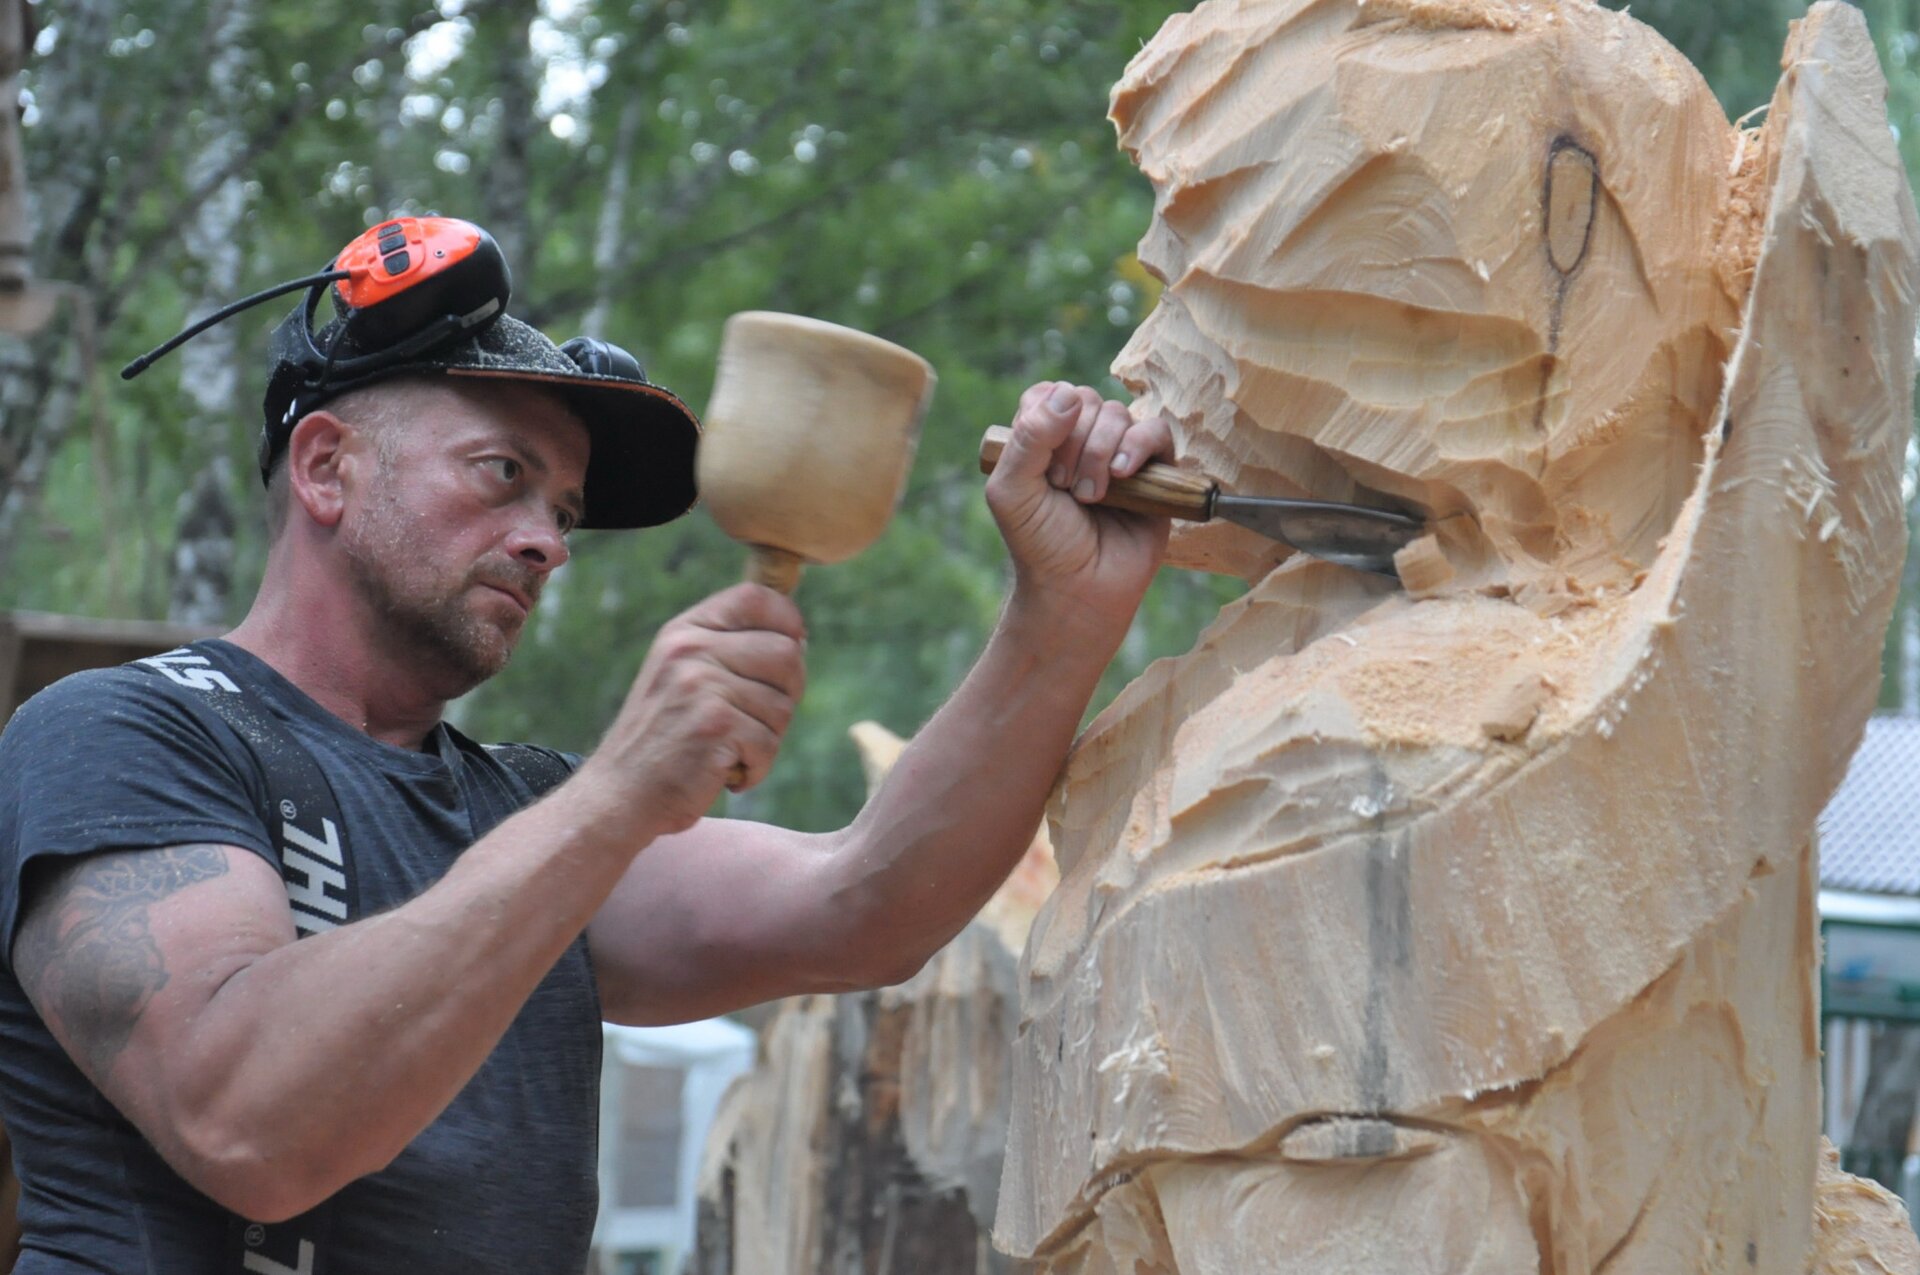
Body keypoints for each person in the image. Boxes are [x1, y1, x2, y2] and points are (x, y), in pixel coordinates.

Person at [0, 278, 1173, 1273]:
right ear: (325, 468)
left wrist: (1063, 610)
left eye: (562, 509)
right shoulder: (125, 732)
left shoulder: (520, 810)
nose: (549, 539)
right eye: (501, 472)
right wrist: (617, 796)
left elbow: (867, 905)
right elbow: (249, 1123)